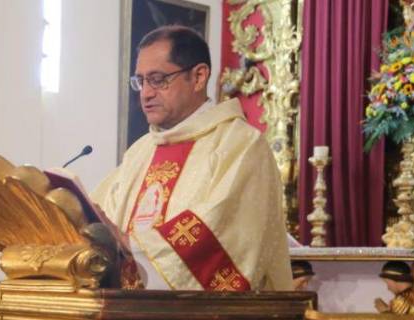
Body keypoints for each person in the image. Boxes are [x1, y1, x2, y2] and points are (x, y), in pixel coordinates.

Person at [92, 25, 292, 291]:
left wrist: (136, 247)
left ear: (198, 77)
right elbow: (102, 218)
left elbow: (226, 232)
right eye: (141, 81)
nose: (146, 93)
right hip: (127, 316)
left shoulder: (241, 145)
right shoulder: (141, 151)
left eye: (158, 79)